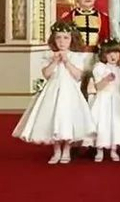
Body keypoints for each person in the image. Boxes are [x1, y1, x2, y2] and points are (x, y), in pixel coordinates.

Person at [12, 20, 95, 164]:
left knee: (68, 119)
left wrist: (67, 61)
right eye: (58, 38)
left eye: (66, 38)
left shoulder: (76, 56)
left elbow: (77, 75)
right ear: (54, 39)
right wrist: (55, 61)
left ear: (72, 39)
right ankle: (56, 150)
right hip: (53, 92)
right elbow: (47, 74)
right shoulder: (49, 55)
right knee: (53, 118)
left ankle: (67, 149)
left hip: (70, 93)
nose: (62, 41)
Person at [60, 0, 110, 98]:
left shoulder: (104, 19)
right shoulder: (68, 18)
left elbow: (106, 39)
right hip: (75, 58)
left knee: (93, 89)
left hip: (96, 58)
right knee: (75, 89)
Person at [83, 39, 120, 162]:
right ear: (104, 55)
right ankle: (99, 150)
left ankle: (113, 150)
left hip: (117, 100)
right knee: (102, 124)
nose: (113, 56)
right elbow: (98, 87)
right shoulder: (100, 67)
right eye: (109, 53)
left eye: (116, 52)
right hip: (103, 99)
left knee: (115, 124)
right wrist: (106, 80)